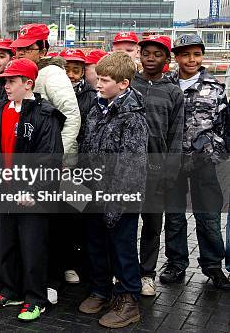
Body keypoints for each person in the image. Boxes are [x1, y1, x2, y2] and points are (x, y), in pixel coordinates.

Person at [0, 58, 65, 322]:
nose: (6, 86)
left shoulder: (44, 114)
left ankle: (35, 299)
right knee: (6, 244)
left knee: (32, 247)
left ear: (28, 84)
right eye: (5, 81)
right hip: (5, 191)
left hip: (30, 195)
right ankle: (9, 290)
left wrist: (35, 191)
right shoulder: (0, 109)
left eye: (11, 81)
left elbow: (51, 157)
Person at [78, 52, 148, 329]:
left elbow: (132, 165)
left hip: (119, 197)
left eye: (105, 80)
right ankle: (101, 290)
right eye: (98, 78)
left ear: (124, 83)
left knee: (123, 249)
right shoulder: (98, 107)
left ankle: (128, 300)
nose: (98, 84)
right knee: (96, 245)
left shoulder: (133, 118)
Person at [162, 34, 230, 290]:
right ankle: (176, 263)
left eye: (196, 54)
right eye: (185, 54)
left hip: (203, 162)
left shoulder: (215, 87)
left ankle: (213, 265)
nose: (191, 59)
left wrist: (215, 151)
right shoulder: (165, 84)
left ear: (202, 56)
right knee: (175, 216)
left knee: (209, 216)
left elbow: (224, 126)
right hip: (173, 162)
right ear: (176, 57)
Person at [131, 35, 184, 297]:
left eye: (157, 54)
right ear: (139, 55)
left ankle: (146, 274)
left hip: (156, 168)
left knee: (152, 224)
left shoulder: (173, 92)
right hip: (129, 168)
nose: (151, 58)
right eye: (146, 53)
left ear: (167, 58)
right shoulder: (128, 85)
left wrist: (170, 171)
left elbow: (176, 134)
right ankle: (126, 272)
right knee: (126, 223)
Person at [57, 48, 97, 285]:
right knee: (64, 217)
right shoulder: (54, 93)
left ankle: (83, 263)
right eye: (67, 70)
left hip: (81, 164)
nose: (71, 75)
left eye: (76, 70)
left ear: (83, 71)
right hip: (61, 164)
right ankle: (67, 263)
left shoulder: (91, 96)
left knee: (81, 215)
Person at [11, 24, 80, 156]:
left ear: (43, 52)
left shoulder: (53, 74)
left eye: (27, 48)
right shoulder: (23, 73)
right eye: (19, 48)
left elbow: (72, 117)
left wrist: (57, 155)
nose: (20, 52)